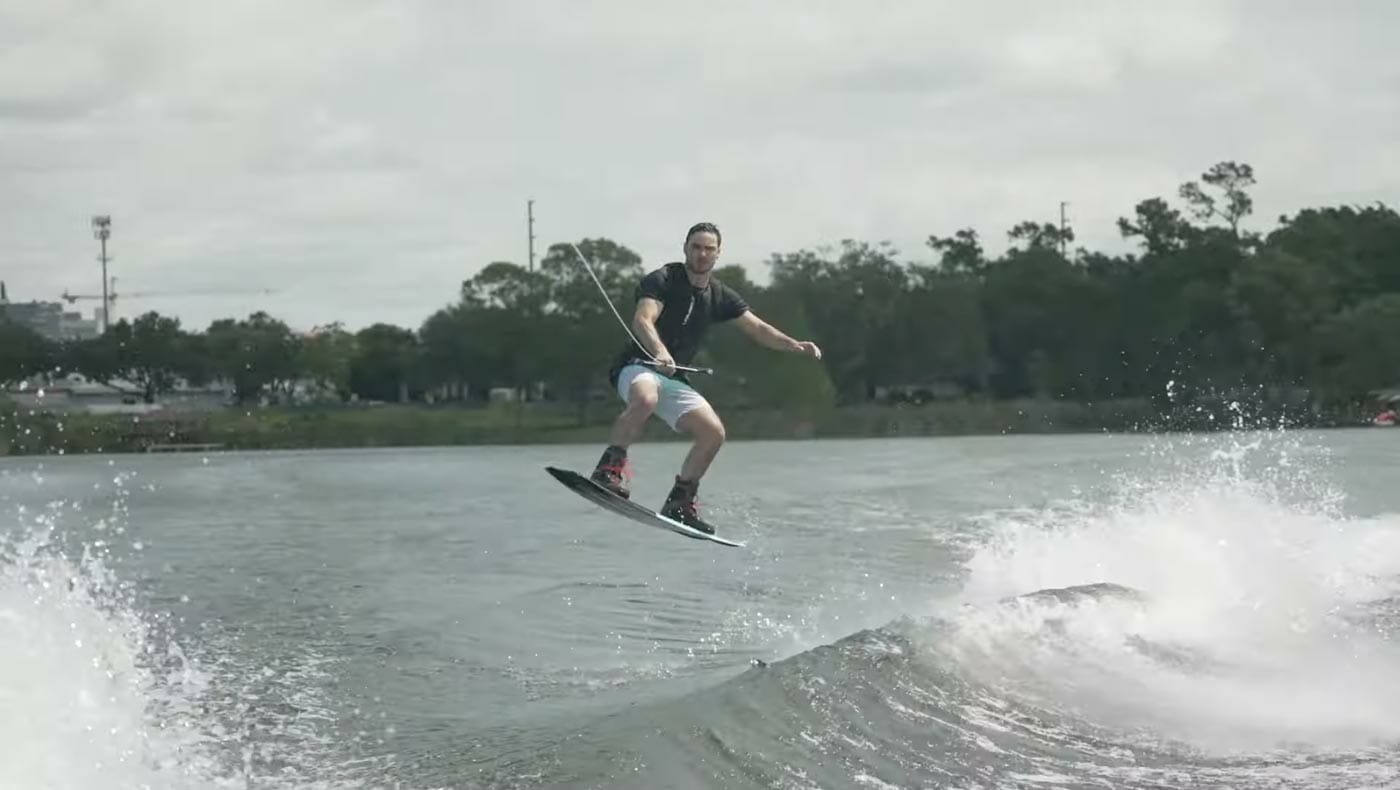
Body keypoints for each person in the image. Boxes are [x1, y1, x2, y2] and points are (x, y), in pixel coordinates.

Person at [589, 221, 823, 534]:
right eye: (696, 247)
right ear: (685, 248)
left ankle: (680, 502)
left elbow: (758, 329)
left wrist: (794, 345)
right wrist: (659, 351)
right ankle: (609, 470)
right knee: (645, 398)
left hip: (674, 378)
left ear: (717, 254)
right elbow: (643, 319)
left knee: (713, 433)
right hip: (638, 366)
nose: (701, 254)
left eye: (708, 249)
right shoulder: (663, 279)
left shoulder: (719, 295)